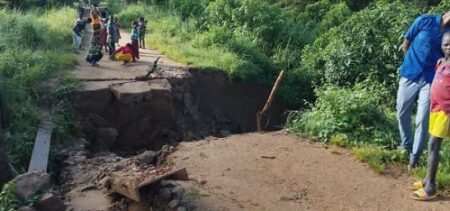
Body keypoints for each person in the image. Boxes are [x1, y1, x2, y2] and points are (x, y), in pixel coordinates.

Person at [397, 12, 450, 170]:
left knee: (422, 119)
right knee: (402, 113)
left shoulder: (449, 33)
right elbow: (406, 43)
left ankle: (414, 158)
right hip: (410, 74)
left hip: (431, 79)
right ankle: (406, 145)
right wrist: (409, 63)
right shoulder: (424, 21)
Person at [411, 32, 450, 201]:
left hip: (446, 111)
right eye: (446, 44)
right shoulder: (440, 62)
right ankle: (427, 179)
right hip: (436, 109)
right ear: (441, 46)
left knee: (434, 144)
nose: (448, 47)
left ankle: (431, 187)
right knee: (431, 143)